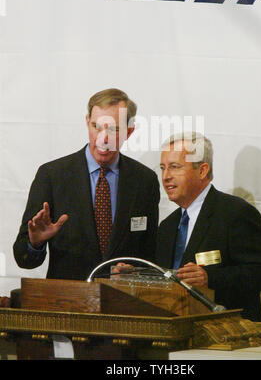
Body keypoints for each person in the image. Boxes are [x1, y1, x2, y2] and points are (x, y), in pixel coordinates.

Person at [13, 88, 160, 280]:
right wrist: (35, 243)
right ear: (86, 123)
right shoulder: (52, 175)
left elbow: (150, 256)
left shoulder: (144, 181)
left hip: (122, 303)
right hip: (67, 303)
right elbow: (24, 259)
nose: (103, 139)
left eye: (113, 129)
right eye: (96, 127)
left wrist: (134, 272)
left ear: (129, 132)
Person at [156, 132, 261, 321]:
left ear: (202, 170)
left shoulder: (235, 213)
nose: (165, 177)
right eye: (163, 168)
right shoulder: (167, 226)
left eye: (174, 167)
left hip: (227, 336)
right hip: (176, 334)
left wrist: (210, 278)